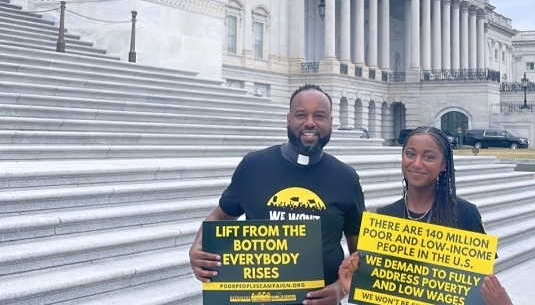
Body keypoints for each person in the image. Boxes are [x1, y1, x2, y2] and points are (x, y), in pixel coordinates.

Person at [189, 84, 365, 305]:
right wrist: (197, 247)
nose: (310, 122)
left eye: (319, 116)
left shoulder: (346, 179)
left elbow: (359, 253)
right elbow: (218, 217)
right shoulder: (253, 166)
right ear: (288, 119)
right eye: (301, 115)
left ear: (330, 121)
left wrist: (340, 289)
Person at [337, 126, 513, 305]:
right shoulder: (384, 217)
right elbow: (379, 294)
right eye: (410, 154)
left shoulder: (466, 214)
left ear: (443, 164)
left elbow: (479, 290)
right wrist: (353, 287)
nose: (417, 163)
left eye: (429, 157)